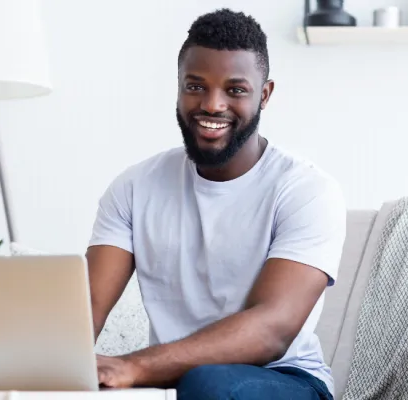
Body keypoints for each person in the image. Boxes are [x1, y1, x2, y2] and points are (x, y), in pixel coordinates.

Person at [86, 8, 346, 400]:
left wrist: (135, 366)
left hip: (286, 380)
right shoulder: (134, 187)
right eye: (195, 86)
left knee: (207, 383)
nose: (212, 104)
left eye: (235, 90)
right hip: (173, 382)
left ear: (265, 94)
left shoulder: (305, 190)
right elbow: (87, 306)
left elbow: (270, 329)